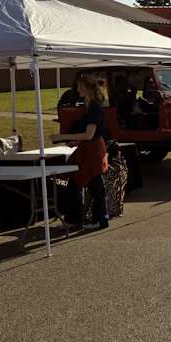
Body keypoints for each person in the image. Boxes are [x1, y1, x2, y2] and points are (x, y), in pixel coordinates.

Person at [52, 75, 110, 231]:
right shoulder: (89, 105)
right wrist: (74, 141)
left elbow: (89, 134)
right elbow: (87, 134)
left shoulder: (95, 107)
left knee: (95, 185)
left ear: (87, 88)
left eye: (79, 87)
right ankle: (76, 219)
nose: (77, 90)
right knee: (77, 182)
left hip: (93, 151)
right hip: (88, 149)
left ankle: (100, 219)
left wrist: (64, 136)